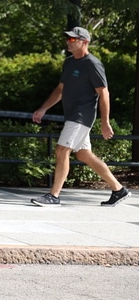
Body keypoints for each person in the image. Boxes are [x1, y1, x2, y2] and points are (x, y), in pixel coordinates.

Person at [30, 26, 129, 206]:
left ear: (85, 42)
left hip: (81, 116)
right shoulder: (69, 62)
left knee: (62, 150)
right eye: (68, 39)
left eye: (73, 39)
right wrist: (43, 108)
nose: (69, 42)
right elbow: (61, 89)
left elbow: (104, 93)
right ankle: (118, 189)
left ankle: (54, 195)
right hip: (72, 115)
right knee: (83, 155)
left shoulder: (93, 64)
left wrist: (105, 122)